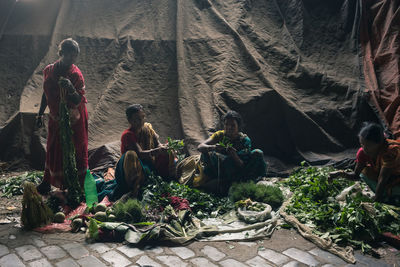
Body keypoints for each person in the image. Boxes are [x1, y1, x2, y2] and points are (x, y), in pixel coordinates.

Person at [35, 38, 88, 194]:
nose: (72, 59)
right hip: (56, 117)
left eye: (74, 56)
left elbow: (78, 100)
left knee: (74, 150)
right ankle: (48, 181)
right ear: (61, 53)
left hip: (74, 119)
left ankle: (76, 185)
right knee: (53, 148)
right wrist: (39, 115)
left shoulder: (76, 75)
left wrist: (71, 88)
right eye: (69, 55)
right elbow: (46, 94)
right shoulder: (49, 71)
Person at [97, 104, 175, 201]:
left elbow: (157, 144)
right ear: (130, 121)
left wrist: (163, 147)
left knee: (168, 151)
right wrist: (156, 151)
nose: (141, 121)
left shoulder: (147, 129)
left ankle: (165, 178)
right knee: (131, 154)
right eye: (137, 119)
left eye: (142, 117)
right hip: (131, 168)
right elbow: (140, 153)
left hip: (147, 164)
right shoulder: (128, 135)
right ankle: (134, 186)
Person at [196, 110, 267, 195]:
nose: (229, 127)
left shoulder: (244, 140)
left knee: (257, 153)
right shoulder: (219, 135)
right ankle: (214, 178)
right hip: (221, 170)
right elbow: (200, 147)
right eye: (226, 124)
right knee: (206, 152)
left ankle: (243, 180)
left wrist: (234, 155)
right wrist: (213, 147)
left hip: (239, 169)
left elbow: (242, 165)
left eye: (233, 125)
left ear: (238, 126)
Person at [329, 122, 400, 203]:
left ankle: (389, 195)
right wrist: (339, 173)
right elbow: (356, 175)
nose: (364, 148)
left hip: (396, 177)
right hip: (385, 178)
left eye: (369, 145)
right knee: (364, 173)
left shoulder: (391, 151)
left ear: (379, 144)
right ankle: (385, 194)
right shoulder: (362, 152)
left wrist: (376, 200)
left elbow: (383, 179)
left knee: (389, 192)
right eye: (362, 144)